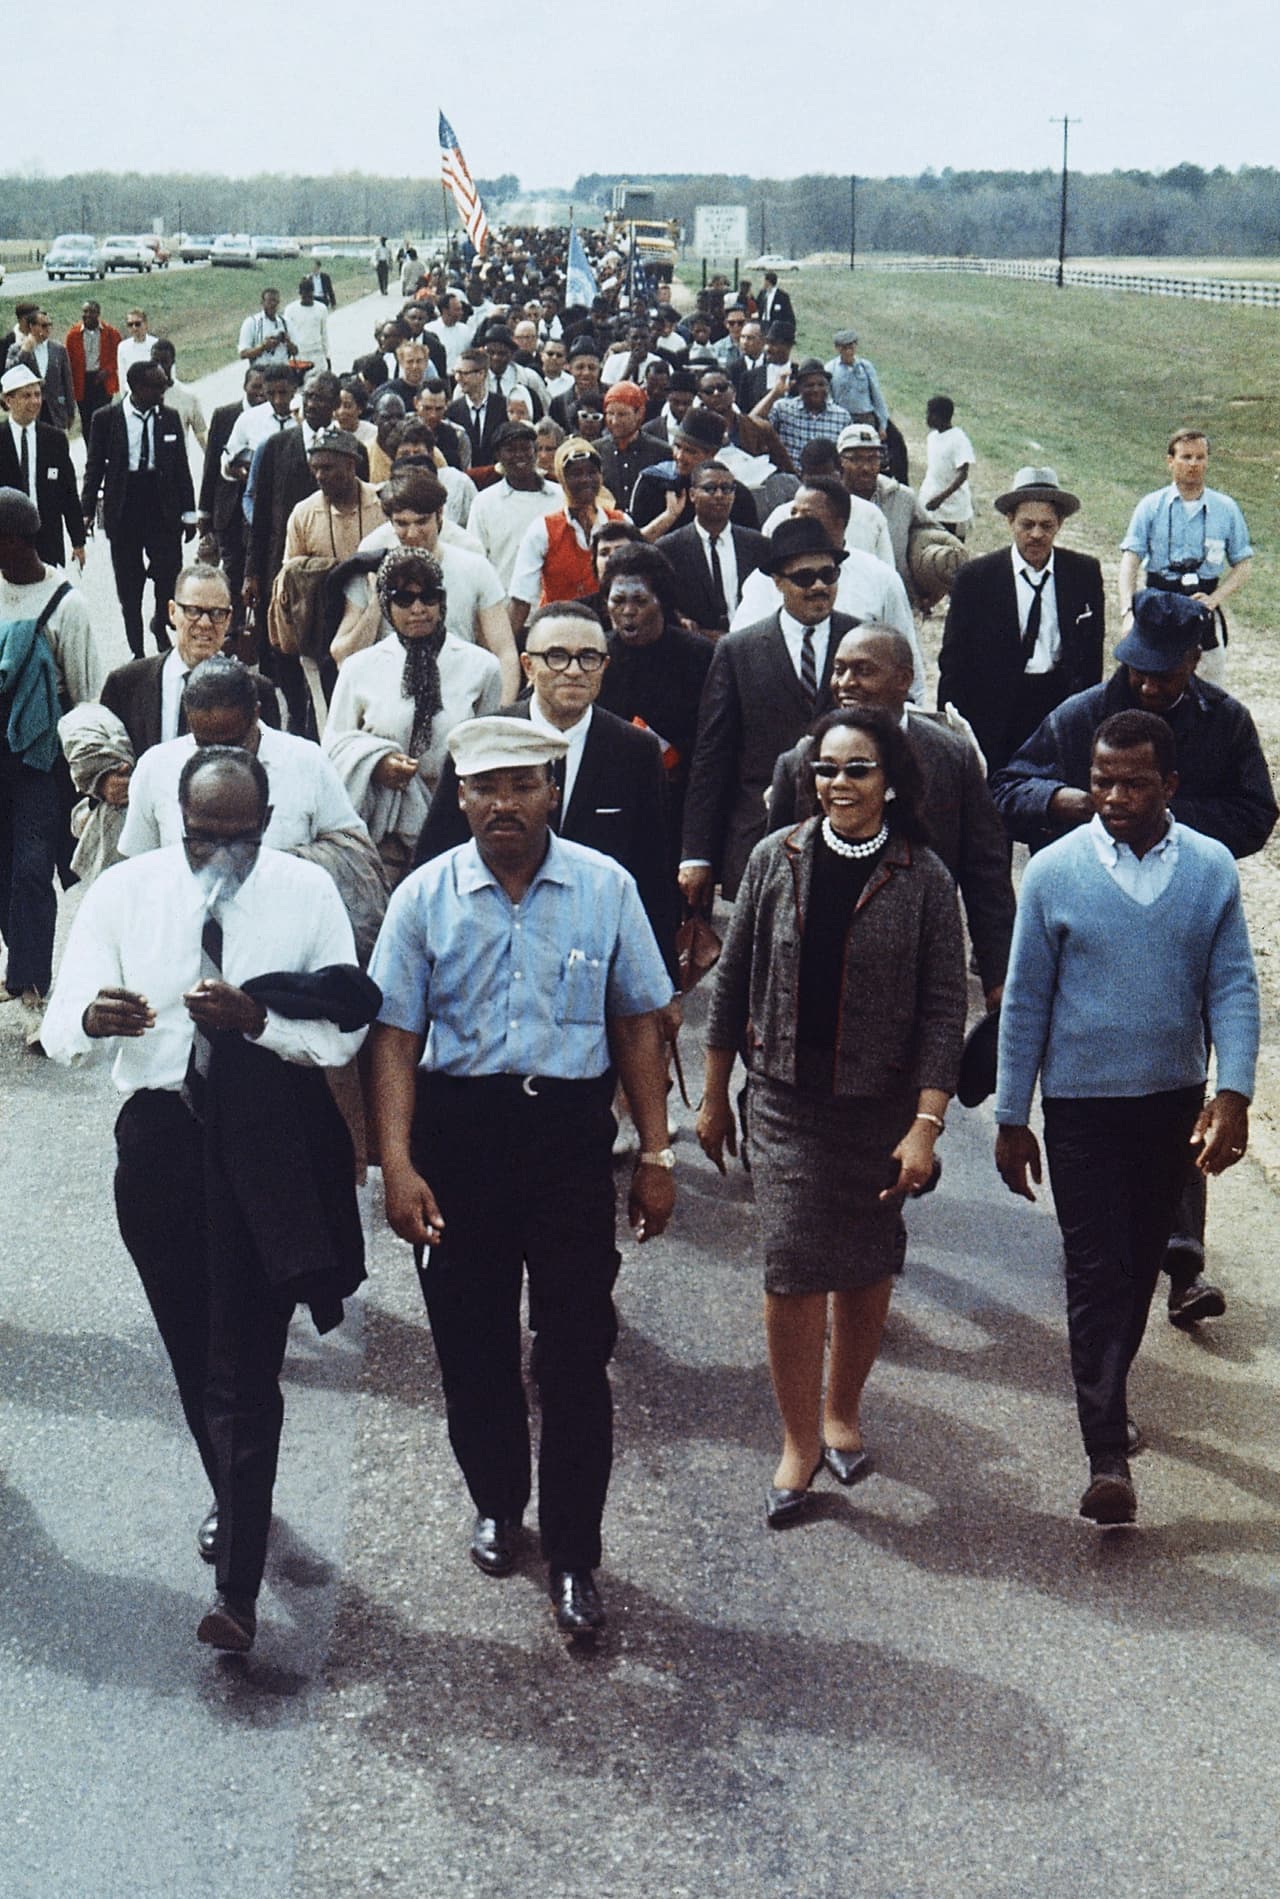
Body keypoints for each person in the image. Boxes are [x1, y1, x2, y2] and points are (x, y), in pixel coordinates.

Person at [41, 747, 373, 1651]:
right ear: (174, 821)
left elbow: (342, 1031)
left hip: (268, 1145)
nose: (220, 856)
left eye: (240, 838)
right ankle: (240, 1495)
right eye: (201, 838)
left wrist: (256, 1022)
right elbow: (61, 1020)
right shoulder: (124, 891)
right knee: (195, 1349)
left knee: (246, 1355)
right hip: (160, 1141)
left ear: (267, 823)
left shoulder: (305, 895)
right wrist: (90, 1018)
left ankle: (237, 1589)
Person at [367, 715, 677, 1638]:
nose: (503, 805)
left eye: (521, 786)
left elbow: (638, 1022)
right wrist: (397, 1160)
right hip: (458, 1139)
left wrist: (656, 1154)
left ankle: (576, 1554)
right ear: (458, 796)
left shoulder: (604, 887)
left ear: (553, 789)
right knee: (472, 1344)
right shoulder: (425, 897)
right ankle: (501, 1499)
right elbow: (394, 1036)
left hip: (566, 1139)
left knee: (577, 1349)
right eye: (483, 788)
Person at [698, 705, 965, 1524]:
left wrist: (925, 1124)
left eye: (857, 769)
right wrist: (713, 1095)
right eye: (826, 768)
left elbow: (943, 1013)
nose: (839, 783)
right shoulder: (775, 861)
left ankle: (843, 1410)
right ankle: (798, 1440)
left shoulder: (925, 880)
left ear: (890, 781)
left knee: (866, 1263)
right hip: (784, 1103)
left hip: (879, 1111)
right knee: (791, 1268)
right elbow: (732, 981)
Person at [994, 712, 1259, 1526]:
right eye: (1102, 780)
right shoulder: (1055, 872)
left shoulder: (1211, 870)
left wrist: (1233, 1094)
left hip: (1170, 1104)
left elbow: (1234, 988)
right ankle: (1105, 1450)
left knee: (1141, 1267)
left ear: (1170, 785)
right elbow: (1025, 999)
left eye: (1133, 782)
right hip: (1079, 1108)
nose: (1112, 796)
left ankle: (1110, 1386)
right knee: (1095, 1269)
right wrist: (1012, 1114)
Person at [988, 588, 1277, 1322]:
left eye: (1165, 673)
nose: (1149, 686)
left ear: (1194, 659)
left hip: (1183, 913)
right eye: (1138, 669)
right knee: (1097, 1098)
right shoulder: (1084, 715)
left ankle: (1182, 1259)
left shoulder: (1227, 722)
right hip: (1086, 912)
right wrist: (1072, 802)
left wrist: (1168, 818)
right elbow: (1007, 786)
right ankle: (1102, 1243)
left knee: (1177, 1073)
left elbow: (1256, 814)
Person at [414, 601, 678, 983]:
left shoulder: (634, 750)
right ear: (527, 666)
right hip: (490, 950)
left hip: (594, 957)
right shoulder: (484, 739)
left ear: (605, 666)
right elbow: (436, 856)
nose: (573, 670)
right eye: (556, 656)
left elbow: (653, 874)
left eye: (588, 657)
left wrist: (664, 981)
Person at [770, 623, 1014, 1008]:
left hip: (919, 966)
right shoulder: (802, 760)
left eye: (863, 670)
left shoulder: (953, 756)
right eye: (838, 669)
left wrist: (998, 976)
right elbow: (774, 882)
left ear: (904, 679)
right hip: (821, 966)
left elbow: (986, 872)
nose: (845, 683)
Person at [679, 518, 855, 908]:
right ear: (778, 581)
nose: (820, 587)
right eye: (805, 578)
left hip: (847, 831)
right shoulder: (739, 651)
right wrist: (697, 853)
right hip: (759, 833)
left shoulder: (860, 642)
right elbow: (712, 756)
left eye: (829, 574)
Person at [324, 549, 502, 882]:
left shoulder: (481, 668)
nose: (418, 609)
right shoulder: (359, 668)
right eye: (404, 599)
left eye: (428, 597)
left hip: (456, 824)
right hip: (384, 827)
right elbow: (333, 747)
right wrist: (376, 764)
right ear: (386, 604)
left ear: (442, 601)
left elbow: (488, 749)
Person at [0, 488, 99, 1040]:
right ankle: (22, 963)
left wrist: (88, 779)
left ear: (14, 541)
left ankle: (34, 988)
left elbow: (87, 697)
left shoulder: (69, 604)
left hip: (43, 758)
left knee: (32, 871)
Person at [937, 466, 1105, 775]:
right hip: (996, 710)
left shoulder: (1083, 573)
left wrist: (1088, 718)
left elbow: (1092, 655)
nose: (1037, 534)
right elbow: (954, 662)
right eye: (1027, 525)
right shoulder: (976, 579)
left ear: (1060, 524)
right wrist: (950, 732)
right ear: (1010, 521)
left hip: (1057, 706)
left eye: (1046, 525)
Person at [118, 652, 367, 857]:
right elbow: (138, 869)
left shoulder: (308, 763)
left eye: (233, 744)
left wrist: (277, 865)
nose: (220, 759)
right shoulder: (155, 768)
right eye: (205, 746)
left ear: (256, 714)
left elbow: (353, 855)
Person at [1118, 430, 1252, 690]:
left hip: (1201, 610)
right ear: (1170, 461)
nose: (1193, 464)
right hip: (1158, 603)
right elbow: (1130, 560)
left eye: (1200, 457)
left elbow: (1243, 564)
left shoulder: (1226, 509)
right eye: (1186, 457)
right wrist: (1127, 612)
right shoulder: (1150, 506)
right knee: (1148, 684)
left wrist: (1215, 599)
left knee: (1208, 687)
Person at [81, 360, 195, 659]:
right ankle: (137, 650)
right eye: (157, 386)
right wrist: (86, 509)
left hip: (162, 507)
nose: (163, 391)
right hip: (125, 507)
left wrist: (189, 512)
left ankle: (160, 621)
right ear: (136, 388)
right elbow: (94, 467)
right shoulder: (105, 419)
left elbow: (181, 467)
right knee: (129, 586)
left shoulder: (169, 418)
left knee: (169, 575)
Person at [507, 436, 625, 640]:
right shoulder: (543, 530)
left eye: (591, 472)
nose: (585, 479)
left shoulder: (620, 522)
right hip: (557, 631)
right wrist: (504, 652)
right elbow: (521, 600)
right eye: (575, 474)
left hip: (609, 632)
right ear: (562, 480)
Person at [657, 461, 769, 636]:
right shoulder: (669, 549)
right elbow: (663, 603)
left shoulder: (758, 546)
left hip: (749, 642)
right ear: (692, 494)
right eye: (710, 488)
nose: (719, 495)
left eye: (726, 489)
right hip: (696, 646)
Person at [0, 366, 86, 571]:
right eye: (26, 396)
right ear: (8, 400)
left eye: (37, 395)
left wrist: (78, 540)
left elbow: (68, 493)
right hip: (7, 540)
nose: (35, 402)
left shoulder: (54, 440)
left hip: (47, 537)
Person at [466, 422, 561, 590]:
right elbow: (475, 560)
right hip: (504, 605)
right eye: (511, 450)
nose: (519, 455)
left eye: (525, 448)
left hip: (554, 602)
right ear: (498, 455)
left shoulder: (560, 497)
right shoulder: (484, 503)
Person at [751, 358, 852, 467]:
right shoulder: (783, 409)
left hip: (826, 480)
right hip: (790, 477)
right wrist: (775, 393)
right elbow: (750, 425)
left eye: (821, 384)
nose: (816, 390)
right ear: (799, 387)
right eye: (810, 385)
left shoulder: (842, 417)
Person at [5, 308, 76, 432]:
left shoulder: (58, 349)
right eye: (43, 325)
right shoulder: (17, 349)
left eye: (50, 325)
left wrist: (70, 411)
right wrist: (25, 352)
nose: (47, 328)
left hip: (55, 411)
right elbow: (9, 373)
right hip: (30, 411)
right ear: (32, 326)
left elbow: (67, 382)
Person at [918, 396, 974, 540]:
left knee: (951, 550)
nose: (927, 418)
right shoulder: (932, 438)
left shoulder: (958, 439)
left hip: (952, 508)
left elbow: (963, 475)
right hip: (931, 503)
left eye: (930, 414)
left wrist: (940, 498)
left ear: (940, 416)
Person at [65, 300, 121, 439]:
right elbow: (68, 361)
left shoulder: (110, 333)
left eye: (91, 311)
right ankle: (91, 455)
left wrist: (108, 370)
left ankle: (104, 452)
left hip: (102, 381)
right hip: (82, 382)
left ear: (98, 314)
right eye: (85, 311)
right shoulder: (73, 335)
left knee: (102, 417)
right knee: (86, 419)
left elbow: (118, 356)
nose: (88, 315)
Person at [149, 339, 207, 453]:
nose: (159, 367)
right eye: (155, 361)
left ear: (172, 362)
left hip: (178, 464)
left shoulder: (188, 396)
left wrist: (212, 465)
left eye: (164, 361)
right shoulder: (141, 395)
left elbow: (201, 434)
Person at [825, 331, 888, 435]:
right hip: (843, 419)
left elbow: (877, 396)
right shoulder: (830, 369)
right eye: (844, 348)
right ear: (838, 349)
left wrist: (882, 425)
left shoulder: (865, 367)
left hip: (865, 418)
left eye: (851, 347)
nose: (849, 352)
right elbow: (828, 398)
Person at [282, 277, 331, 371]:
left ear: (313, 292)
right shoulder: (290, 310)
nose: (308, 298)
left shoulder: (321, 309)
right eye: (305, 295)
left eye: (310, 294)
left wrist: (327, 355)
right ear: (300, 293)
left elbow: (324, 333)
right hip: (299, 355)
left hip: (317, 354)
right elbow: (287, 335)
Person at [237, 289, 292, 368]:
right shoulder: (252, 322)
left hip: (282, 369)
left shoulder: (286, 323)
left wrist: (287, 341)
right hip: (260, 369)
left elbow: (295, 351)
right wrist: (263, 347)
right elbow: (243, 354)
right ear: (262, 303)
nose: (273, 304)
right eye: (269, 301)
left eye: (275, 301)